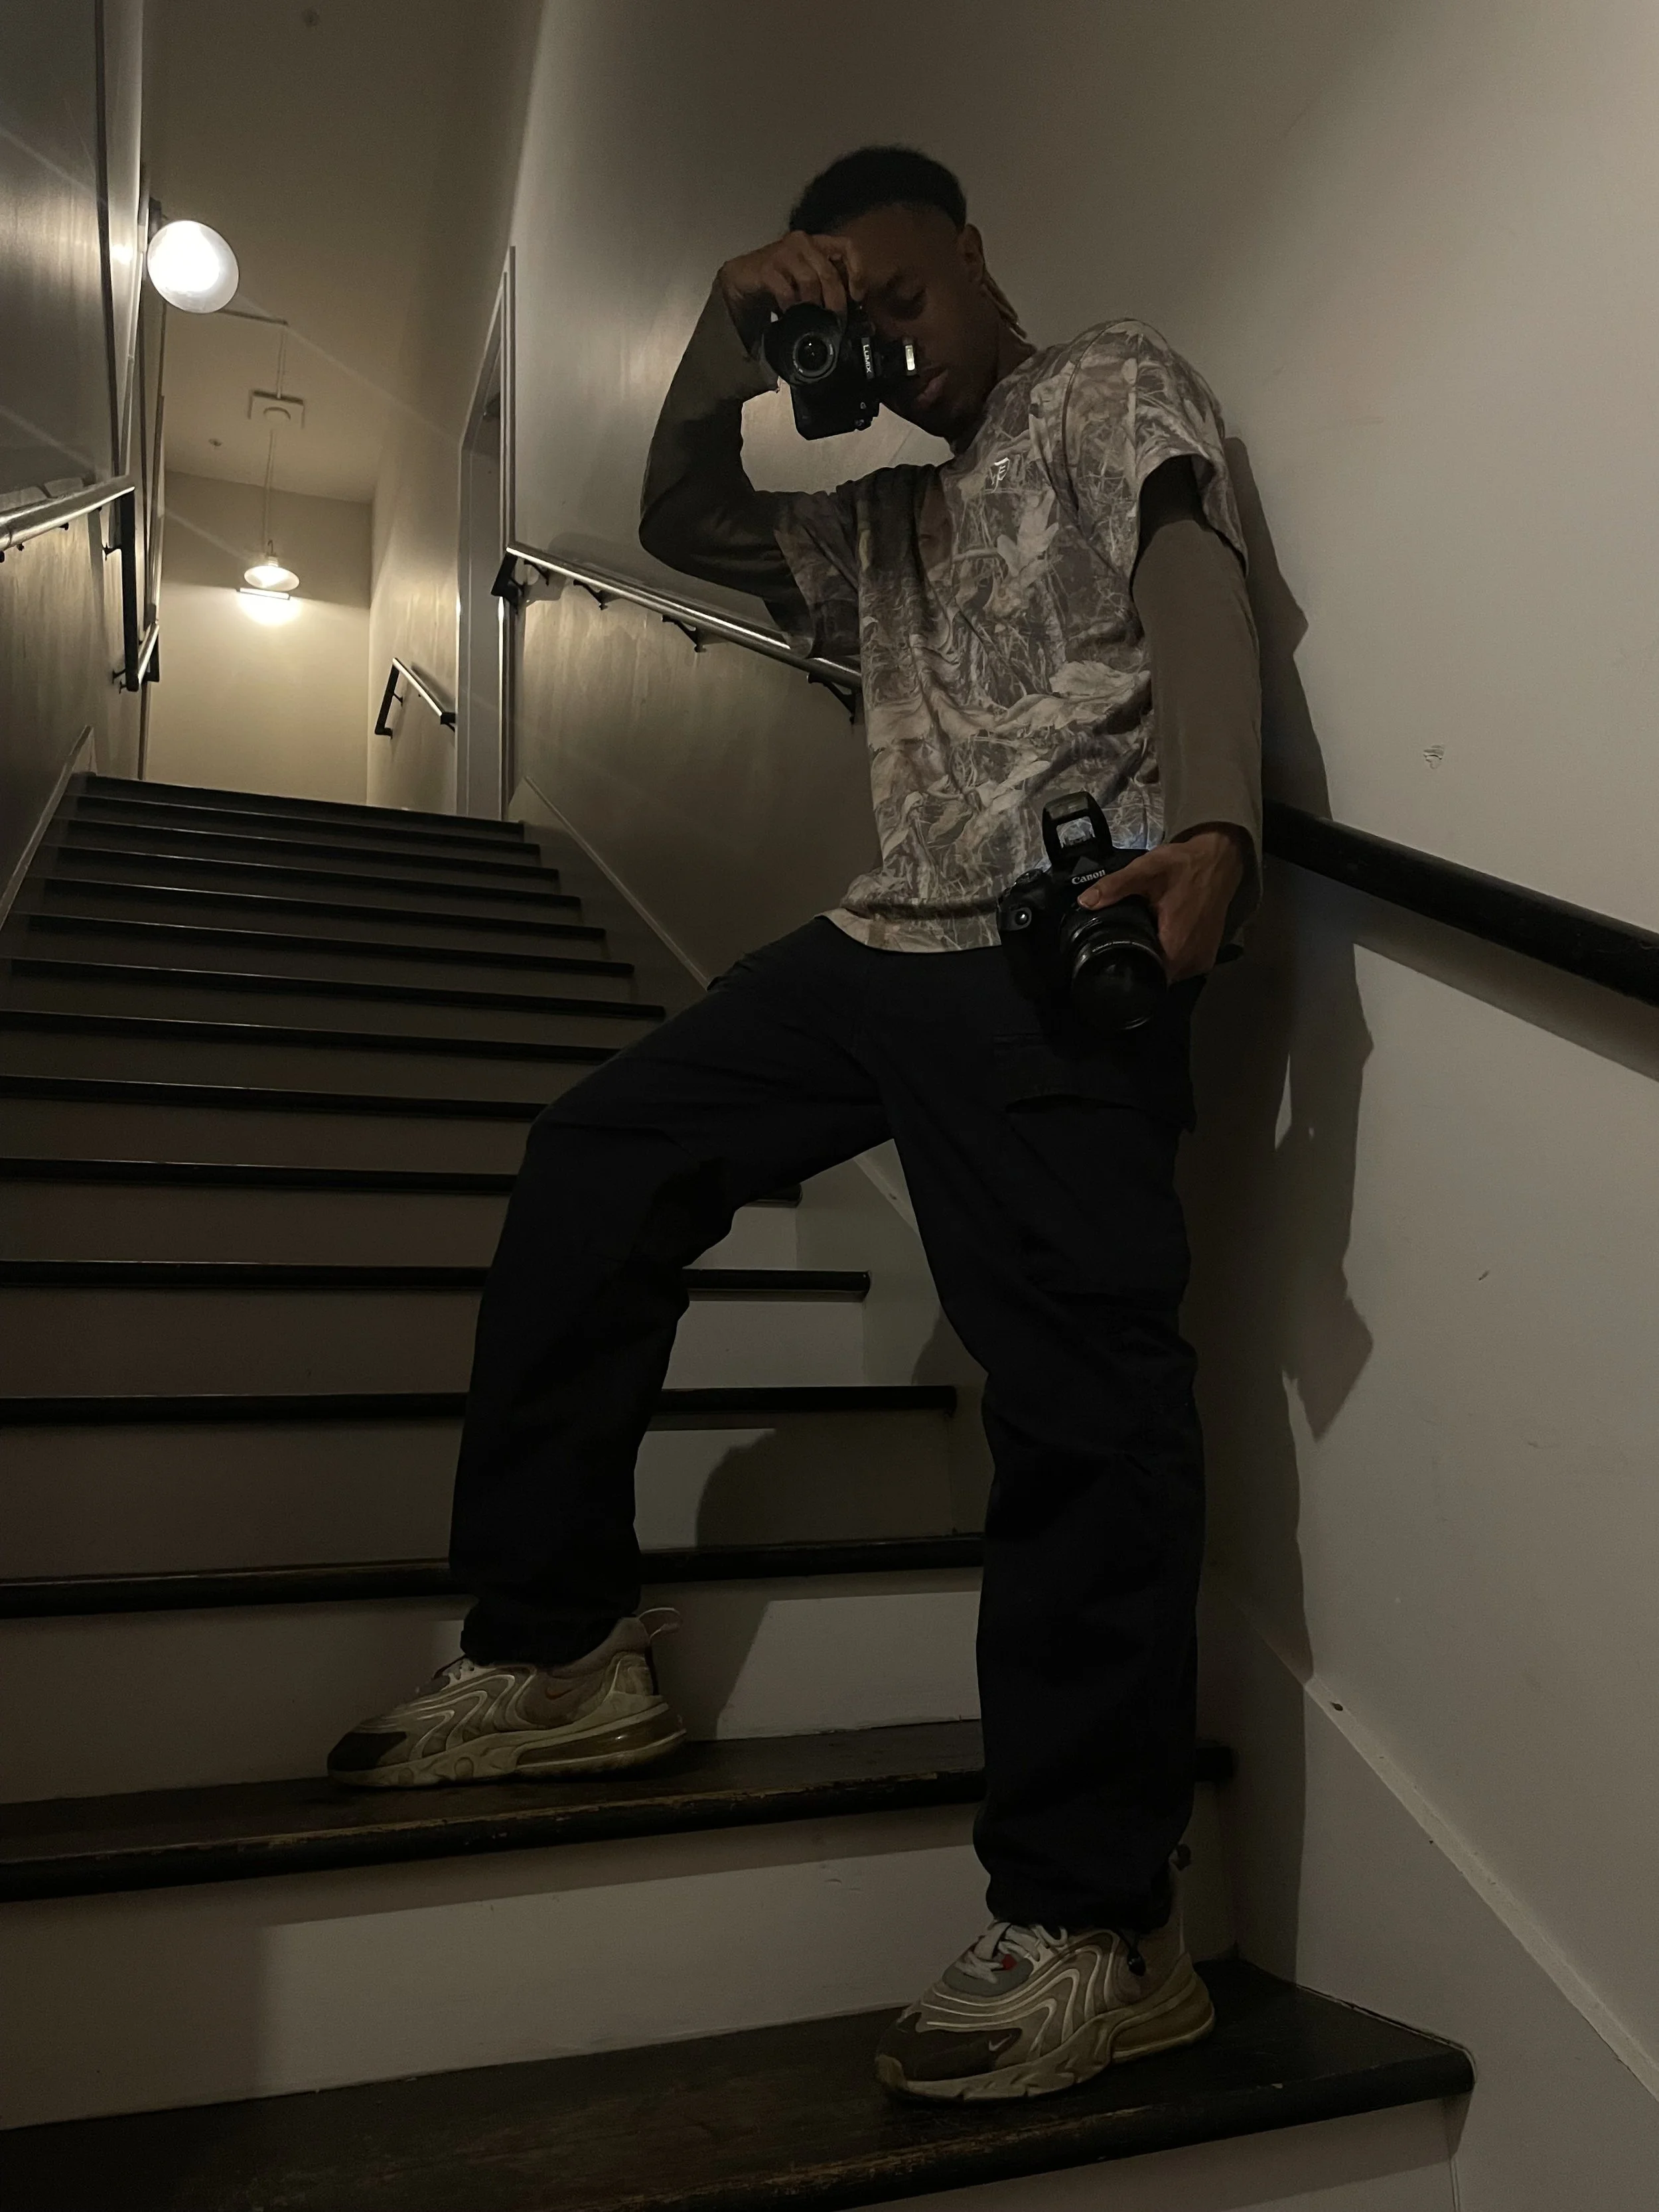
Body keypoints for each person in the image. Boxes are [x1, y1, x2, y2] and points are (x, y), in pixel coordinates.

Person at [328, 145, 1260, 2104]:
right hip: (874, 942)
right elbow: (677, 507)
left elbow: (1189, 558)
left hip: (1049, 935)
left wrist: (1216, 821)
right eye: (863, 324)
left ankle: (1100, 1919)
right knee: (600, 1152)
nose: (902, 357)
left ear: (978, 253)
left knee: (1082, 1396)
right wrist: (725, 325)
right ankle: (564, 1644)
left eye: (910, 302)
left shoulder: (1102, 381)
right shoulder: (881, 526)